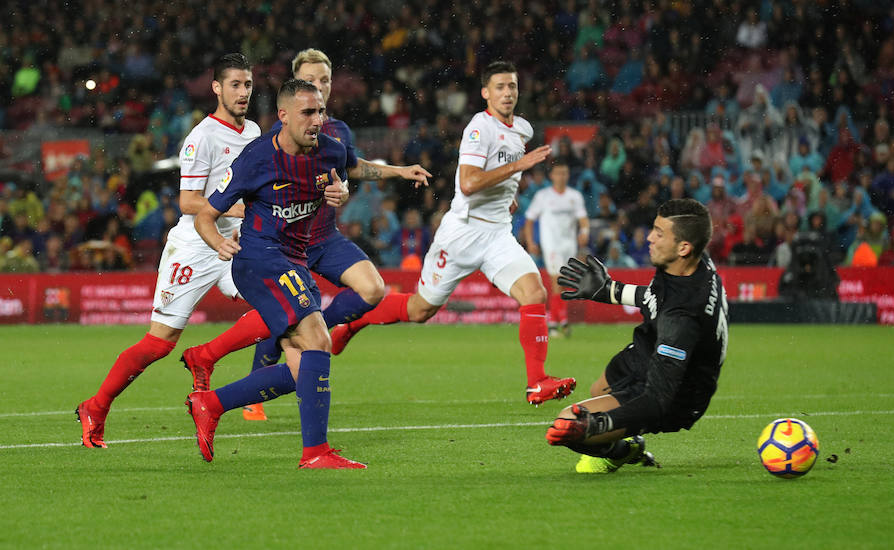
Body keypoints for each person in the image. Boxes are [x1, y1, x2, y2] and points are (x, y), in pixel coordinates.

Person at [179, 48, 431, 421]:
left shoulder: (336, 136)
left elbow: (348, 172)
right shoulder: (271, 142)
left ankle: (233, 377)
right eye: (311, 81)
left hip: (322, 237)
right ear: (293, 90)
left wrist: (383, 176)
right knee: (296, 338)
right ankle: (243, 388)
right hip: (278, 246)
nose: (319, 87)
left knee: (369, 291)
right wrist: (227, 233)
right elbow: (246, 192)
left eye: (325, 81)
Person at [330, 61, 577, 405]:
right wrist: (518, 167)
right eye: (500, 87)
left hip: (497, 236)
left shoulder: (522, 129)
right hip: (461, 235)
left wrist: (510, 197)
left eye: (512, 87)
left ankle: (537, 381)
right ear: (485, 93)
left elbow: (500, 178)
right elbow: (469, 182)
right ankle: (354, 323)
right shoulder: (480, 127)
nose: (508, 93)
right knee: (420, 310)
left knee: (534, 293)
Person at [75, 53, 266, 448]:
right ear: (216, 88)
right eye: (235, 84)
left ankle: (206, 356)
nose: (243, 92)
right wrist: (235, 207)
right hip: (195, 245)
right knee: (159, 343)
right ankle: (96, 405)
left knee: (279, 310)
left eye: (247, 85)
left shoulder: (253, 132)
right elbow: (188, 201)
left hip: (235, 242)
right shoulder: (201, 137)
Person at [188, 78, 365, 469]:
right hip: (257, 259)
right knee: (319, 337)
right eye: (307, 112)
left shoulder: (332, 153)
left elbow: (340, 188)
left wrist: (343, 195)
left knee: (304, 368)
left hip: (294, 261)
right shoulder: (257, 158)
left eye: (320, 111)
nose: (317, 120)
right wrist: (217, 243)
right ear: (283, 116)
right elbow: (205, 215)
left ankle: (211, 404)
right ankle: (315, 453)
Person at [545, 199, 728, 474]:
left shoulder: (681, 319)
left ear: (683, 247)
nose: (649, 238)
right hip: (650, 348)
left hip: (678, 389)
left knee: (569, 423)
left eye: (659, 233)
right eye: (654, 228)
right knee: (599, 389)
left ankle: (623, 450)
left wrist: (602, 424)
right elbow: (656, 297)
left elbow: (657, 401)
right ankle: (618, 438)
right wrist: (609, 290)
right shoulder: (693, 264)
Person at [523, 159, 589, 337]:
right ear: (551, 176)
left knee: (563, 283)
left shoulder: (574, 196)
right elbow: (529, 220)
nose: (561, 176)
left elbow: (583, 218)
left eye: (565, 173)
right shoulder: (543, 196)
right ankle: (557, 323)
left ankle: (558, 321)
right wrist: (531, 242)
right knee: (556, 281)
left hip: (569, 245)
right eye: (558, 173)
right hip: (551, 245)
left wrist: (584, 231)